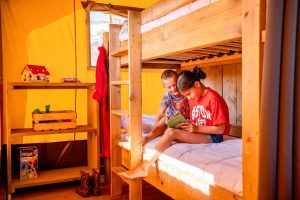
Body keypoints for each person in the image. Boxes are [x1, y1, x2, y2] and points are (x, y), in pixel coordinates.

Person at [119, 66, 230, 179]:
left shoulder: (213, 98)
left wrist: (196, 128)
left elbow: (220, 129)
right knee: (167, 120)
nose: (188, 97)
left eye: (188, 94)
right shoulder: (194, 97)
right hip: (198, 131)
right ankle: (148, 137)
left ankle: (144, 167)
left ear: (197, 84)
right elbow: (195, 118)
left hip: (212, 136)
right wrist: (185, 124)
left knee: (171, 133)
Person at [142, 69, 189, 146]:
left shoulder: (185, 91)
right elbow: (159, 114)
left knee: (176, 130)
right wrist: (155, 129)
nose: (173, 89)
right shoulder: (168, 96)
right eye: (169, 87)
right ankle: (148, 137)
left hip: (186, 119)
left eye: (174, 85)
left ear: (179, 81)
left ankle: (171, 135)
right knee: (164, 119)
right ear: (164, 87)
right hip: (172, 119)